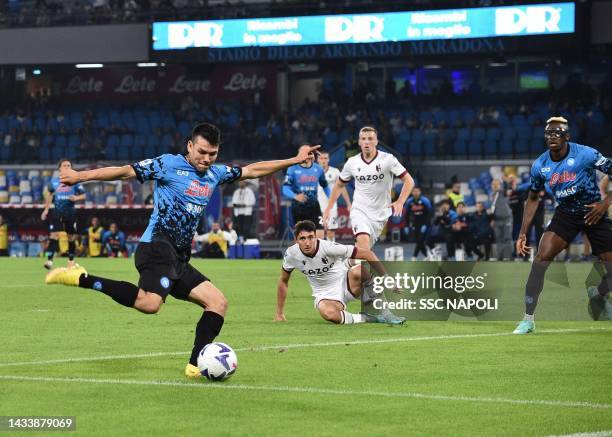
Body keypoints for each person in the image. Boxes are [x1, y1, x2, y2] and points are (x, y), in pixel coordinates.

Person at [44, 122, 320, 377]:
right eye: (202, 152)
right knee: (151, 304)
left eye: (212, 153)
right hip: (156, 246)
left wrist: (294, 160)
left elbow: (253, 170)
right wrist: (80, 176)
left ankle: (194, 365)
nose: (207, 158)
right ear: (190, 146)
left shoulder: (216, 173)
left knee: (218, 303)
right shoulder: (167, 165)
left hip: (178, 256)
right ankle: (80, 277)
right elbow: (125, 171)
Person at [514, 117, 612, 334]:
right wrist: (522, 233)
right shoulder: (540, 165)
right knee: (540, 260)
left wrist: (605, 203)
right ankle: (528, 320)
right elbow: (532, 198)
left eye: (557, 133)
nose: (552, 137)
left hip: (593, 212)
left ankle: (598, 293)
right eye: (548, 133)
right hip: (566, 213)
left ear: (567, 136)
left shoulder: (586, 154)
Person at [275, 220, 404, 325]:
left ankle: (385, 313)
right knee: (329, 314)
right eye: (302, 238)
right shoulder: (291, 254)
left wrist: (387, 279)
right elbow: (283, 281)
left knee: (360, 271)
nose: (307, 242)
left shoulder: (327, 247)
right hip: (325, 295)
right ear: (296, 240)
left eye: (311, 237)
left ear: (316, 236)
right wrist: (279, 313)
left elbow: (367, 253)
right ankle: (366, 318)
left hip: (345, 283)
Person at [323, 126, 414, 252]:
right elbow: (339, 185)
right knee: (364, 245)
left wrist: (400, 201)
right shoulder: (352, 162)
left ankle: (350, 265)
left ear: (376, 141)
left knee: (362, 252)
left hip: (380, 213)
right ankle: (379, 272)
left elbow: (409, 181)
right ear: (359, 142)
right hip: (359, 210)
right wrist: (328, 208)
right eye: (363, 139)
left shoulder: (388, 159)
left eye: (370, 138)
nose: (367, 142)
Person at [41, 159, 86, 269]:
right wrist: (46, 209)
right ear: (60, 168)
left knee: (70, 237)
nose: (67, 167)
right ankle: (49, 261)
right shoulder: (54, 182)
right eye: (64, 165)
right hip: (57, 212)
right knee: (53, 235)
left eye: (69, 165)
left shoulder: (75, 181)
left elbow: (84, 195)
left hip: (70, 213)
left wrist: (76, 197)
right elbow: (49, 195)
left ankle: (71, 261)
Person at [282, 148, 329, 239]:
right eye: (304, 152)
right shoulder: (292, 169)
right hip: (299, 207)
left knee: (320, 236)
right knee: (301, 238)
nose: (308, 155)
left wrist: (331, 203)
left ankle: (318, 253)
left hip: (314, 206)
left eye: (309, 153)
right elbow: (285, 188)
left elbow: (325, 186)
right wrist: (295, 196)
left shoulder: (318, 169)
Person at [316, 150, 351, 241]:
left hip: (332, 207)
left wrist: (348, 203)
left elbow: (342, 188)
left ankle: (331, 254)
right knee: (319, 235)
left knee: (330, 233)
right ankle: (320, 254)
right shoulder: (313, 172)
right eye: (321, 158)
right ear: (317, 160)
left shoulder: (335, 172)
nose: (323, 160)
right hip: (317, 207)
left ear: (329, 159)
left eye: (325, 158)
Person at [405, 187, 432, 260]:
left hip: (425, 224)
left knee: (420, 240)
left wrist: (426, 224)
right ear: (412, 192)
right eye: (414, 191)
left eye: (417, 191)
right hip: (415, 224)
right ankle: (427, 256)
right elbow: (406, 215)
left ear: (420, 192)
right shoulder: (409, 202)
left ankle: (414, 256)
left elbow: (429, 213)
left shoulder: (425, 201)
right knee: (419, 241)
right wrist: (406, 226)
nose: (415, 193)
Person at [490, 178, 513, 260]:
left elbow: (507, 188)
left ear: (500, 185)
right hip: (496, 220)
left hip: (506, 219)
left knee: (507, 238)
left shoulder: (504, 193)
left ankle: (510, 256)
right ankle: (500, 257)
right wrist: (492, 219)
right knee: (498, 238)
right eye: (493, 184)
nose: (495, 186)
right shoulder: (492, 195)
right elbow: (493, 208)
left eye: (497, 184)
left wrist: (505, 181)